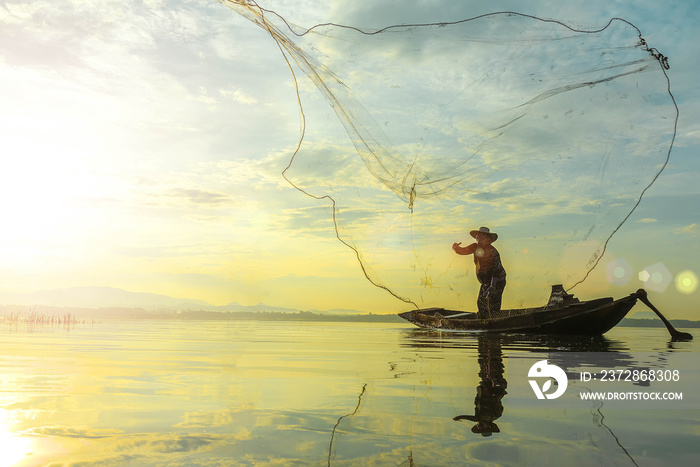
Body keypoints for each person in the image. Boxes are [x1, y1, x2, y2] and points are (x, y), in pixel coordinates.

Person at [452, 226, 506, 319]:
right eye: (478, 235)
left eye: (482, 236)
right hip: (485, 282)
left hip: (497, 281)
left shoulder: (493, 252)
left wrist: (492, 287)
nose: (478, 237)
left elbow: (496, 271)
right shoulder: (475, 247)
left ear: (488, 239)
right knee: (481, 304)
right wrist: (455, 248)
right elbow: (462, 251)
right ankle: (484, 323)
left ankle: (494, 323)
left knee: (492, 305)